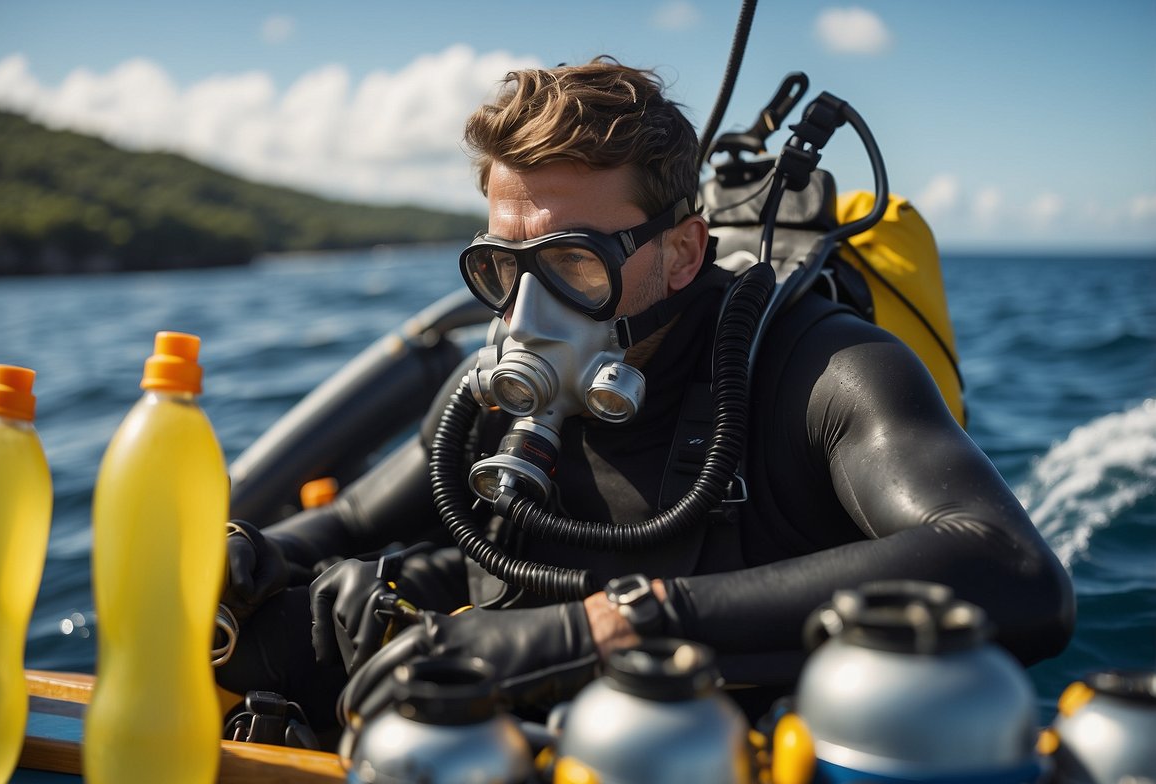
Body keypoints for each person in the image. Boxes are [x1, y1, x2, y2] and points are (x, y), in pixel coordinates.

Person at [214, 57, 1074, 735]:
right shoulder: (490, 396)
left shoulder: (822, 371)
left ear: (682, 253)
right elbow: (356, 524)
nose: (525, 311)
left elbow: (1012, 567)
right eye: (501, 266)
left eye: (573, 262)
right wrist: (248, 551)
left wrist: (602, 628)